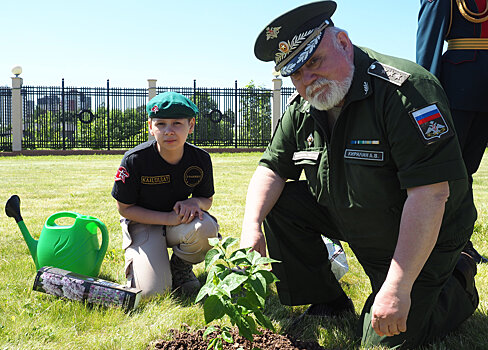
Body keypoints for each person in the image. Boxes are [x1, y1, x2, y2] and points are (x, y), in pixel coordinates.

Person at [240, 1, 479, 348]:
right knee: (279, 204)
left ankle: (457, 282)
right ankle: (328, 300)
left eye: (315, 62)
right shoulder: (305, 105)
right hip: (358, 216)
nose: (307, 80)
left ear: (344, 43)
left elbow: (430, 194)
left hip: (423, 237)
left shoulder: (405, 91)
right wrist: (252, 227)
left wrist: (396, 288)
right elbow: (272, 167)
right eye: (296, 73)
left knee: (382, 339)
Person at [111, 91, 220, 298]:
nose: (169, 131)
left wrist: (195, 202)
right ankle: (148, 266)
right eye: (161, 124)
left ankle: (180, 268)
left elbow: (207, 200)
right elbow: (124, 208)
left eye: (177, 123)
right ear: (150, 127)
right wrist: (166, 218)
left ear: (191, 125)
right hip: (143, 222)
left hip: (179, 222)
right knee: (152, 293)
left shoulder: (200, 158)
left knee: (205, 227)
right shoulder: (135, 160)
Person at [416, 0, 488, 264]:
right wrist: (425, 96)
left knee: (467, 170)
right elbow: (430, 40)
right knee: (451, 172)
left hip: (482, 91)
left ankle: (460, 241)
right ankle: (449, 242)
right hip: (458, 88)